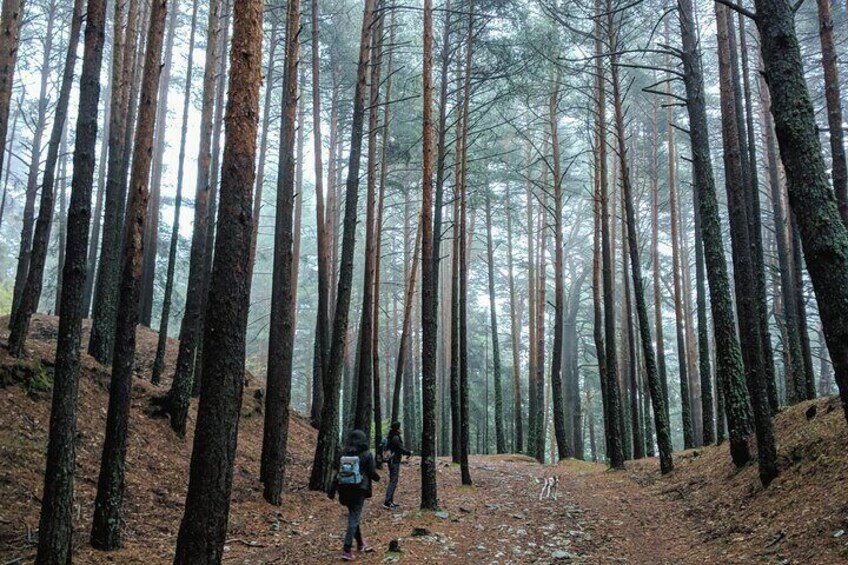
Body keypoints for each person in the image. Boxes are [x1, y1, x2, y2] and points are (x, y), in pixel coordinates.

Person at [328, 429, 380, 561]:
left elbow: (337, 472)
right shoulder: (367, 454)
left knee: (353, 516)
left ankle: (361, 543)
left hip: (344, 490)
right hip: (359, 490)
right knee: (353, 518)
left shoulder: (343, 453)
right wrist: (377, 478)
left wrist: (332, 490)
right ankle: (346, 549)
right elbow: (372, 472)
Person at [382, 421, 412, 509]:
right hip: (393, 461)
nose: (401, 429)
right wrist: (408, 452)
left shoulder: (392, 436)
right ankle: (387, 502)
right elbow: (400, 448)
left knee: (393, 480)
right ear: (397, 428)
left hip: (392, 461)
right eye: (400, 427)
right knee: (393, 481)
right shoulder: (395, 437)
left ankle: (390, 501)